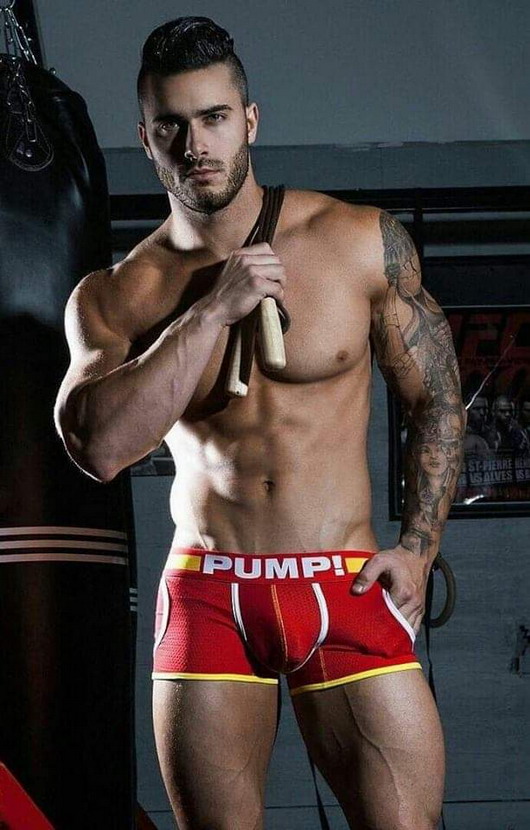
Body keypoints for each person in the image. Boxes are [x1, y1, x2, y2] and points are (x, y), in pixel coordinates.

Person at [54, 16, 466, 830]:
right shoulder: (117, 294)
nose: (195, 145)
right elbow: (98, 449)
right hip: (210, 591)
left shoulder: (357, 241)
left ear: (249, 120)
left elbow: (439, 399)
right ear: (146, 137)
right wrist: (211, 311)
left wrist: (419, 549)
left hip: (343, 582)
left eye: (213, 118)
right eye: (171, 125)